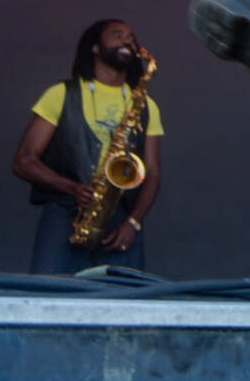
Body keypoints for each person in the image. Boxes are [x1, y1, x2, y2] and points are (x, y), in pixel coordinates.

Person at [13, 20, 163, 274]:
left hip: (120, 221)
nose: (127, 40)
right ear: (94, 47)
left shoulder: (146, 105)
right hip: (66, 214)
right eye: (117, 35)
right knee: (48, 299)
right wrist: (72, 187)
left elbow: (152, 172)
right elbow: (24, 161)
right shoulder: (61, 94)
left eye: (131, 37)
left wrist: (134, 223)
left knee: (125, 307)